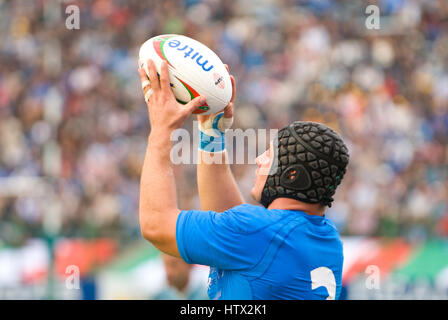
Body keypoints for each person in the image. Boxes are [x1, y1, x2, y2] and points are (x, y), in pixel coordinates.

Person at [138, 59, 350, 300]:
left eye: (269, 156)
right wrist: (211, 134)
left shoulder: (256, 231)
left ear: (291, 176)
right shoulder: (327, 239)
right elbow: (230, 227)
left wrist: (160, 131)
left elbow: (155, 224)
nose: (259, 160)